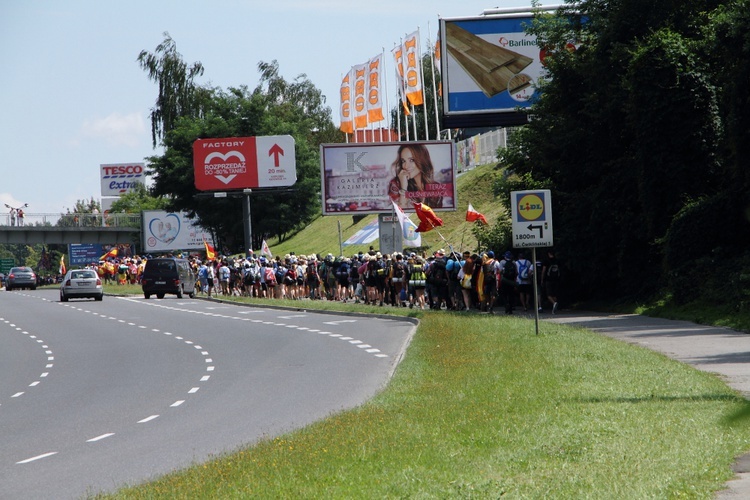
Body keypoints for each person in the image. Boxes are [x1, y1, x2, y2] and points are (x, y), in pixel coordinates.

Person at [387, 143, 444, 209]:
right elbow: (400, 215)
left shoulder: (436, 188)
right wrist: (404, 188)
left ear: (422, 160)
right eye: (403, 161)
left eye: (411, 160)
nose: (406, 166)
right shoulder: (396, 184)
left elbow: (437, 215)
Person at [542, 249, 561, 314]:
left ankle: (554, 303)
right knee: (554, 294)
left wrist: (542, 279)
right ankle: (554, 309)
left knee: (548, 295)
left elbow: (544, 270)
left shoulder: (546, 261)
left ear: (548, 254)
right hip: (556, 279)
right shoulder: (557, 260)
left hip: (548, 280)